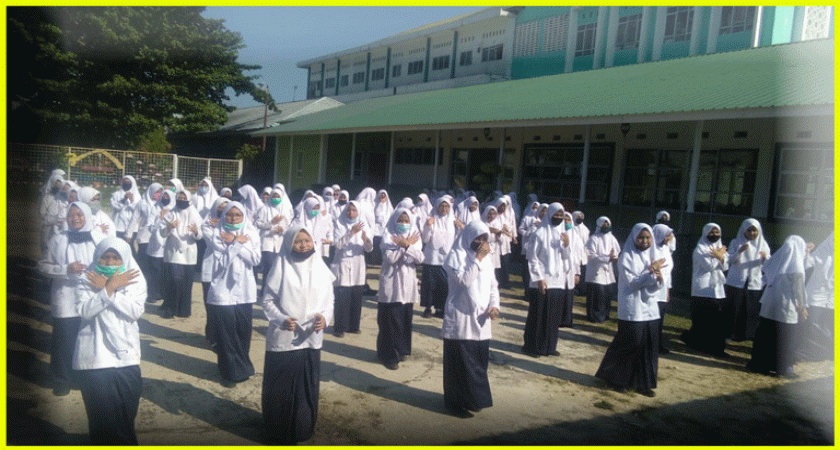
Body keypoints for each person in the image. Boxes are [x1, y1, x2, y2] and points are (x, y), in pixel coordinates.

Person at [261, 225, 335, 444]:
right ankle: (278, 433)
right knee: (280, 390)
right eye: (298, 241)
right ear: (289, 243)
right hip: (285, 338)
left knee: (305, 388)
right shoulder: (281, 265)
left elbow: (329, 300)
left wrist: (325, 318)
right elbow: (267, 301)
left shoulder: (320, 265)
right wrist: (282, 319)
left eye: (307, 240)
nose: (303, 245)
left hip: (311, 338)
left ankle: (303, 429)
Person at [73, 237, 145, 444]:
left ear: (125, 259)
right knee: (103, 422)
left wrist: (106, 288)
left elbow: (135, 311)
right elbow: (85, 311)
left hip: (127, 358)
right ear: (97, 257)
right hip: (96, 358)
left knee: (125, 419)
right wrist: (110, 288)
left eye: (116, 258)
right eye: (105, 257)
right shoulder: (87, 277)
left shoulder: (135, 278)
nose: (110, 262)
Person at [38, 202, 102, 396]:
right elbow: (42, 266)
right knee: (64, 341)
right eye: (71, 215)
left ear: (87, 216)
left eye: (79, 215)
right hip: (66, 299)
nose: (75, 219)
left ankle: (82, 378)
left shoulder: (98, 238)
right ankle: (61, 379)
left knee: (87, 340)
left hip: (91, 298)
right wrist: (65, 269)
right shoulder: (58, 239)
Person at [595, 223, 665, 397]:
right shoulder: (626, 257)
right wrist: (650, 273)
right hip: (632, 307)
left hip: (650, 308)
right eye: (641, 238)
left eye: (648, 238)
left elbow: (658, 284)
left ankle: (642, 383)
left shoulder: (653, 256)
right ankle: (616, 379)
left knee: (647, 345)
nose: (644, 241)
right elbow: (632, 283)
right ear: (634, 238)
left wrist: (658, 277)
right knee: (630, 342)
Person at [441, 220, 501, 418]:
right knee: (460, 364)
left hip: (482, 318)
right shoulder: (454, 256)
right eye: (478, 238)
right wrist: (477, 259)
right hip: (461, 318)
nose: (481, 242)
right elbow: (464, 281)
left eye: (485, 238)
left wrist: (494, 306)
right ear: (468, 237)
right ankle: (455, 403)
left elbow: (493, 286)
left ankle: (473, 400)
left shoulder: (487, 259)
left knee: (478, 363)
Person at [206, 202, 261, 387]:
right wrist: (237, 243)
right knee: (226, 334)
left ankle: (243, 367)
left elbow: (255, 259)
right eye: (230, 214)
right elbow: (223, 262)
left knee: (243, 331)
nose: (234, 218)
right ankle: (229, 372)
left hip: (244, 290)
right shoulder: (217, 234)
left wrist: (235, 244)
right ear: (224, 216)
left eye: (238, 215)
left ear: (243, 216)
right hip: (223, 290)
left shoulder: (252, 233)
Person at [747, 236, 810, 378]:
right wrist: (802, 308)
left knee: (765, 336)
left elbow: (766, 266)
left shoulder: (776, 261)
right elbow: (799, 291)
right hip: (786, 308)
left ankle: (759, 365)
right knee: (785, 339)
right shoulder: (797, 268)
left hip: (769, 305)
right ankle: (783, 369)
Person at [522, 203, 576, 357]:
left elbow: (566, 258)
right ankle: (533, 347)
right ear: (549, 215)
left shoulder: (562, 234)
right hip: (543, 281)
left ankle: (549, 347)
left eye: (561, 215)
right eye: (556, 215)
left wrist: (566, 245)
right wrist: (539, 278)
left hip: (557, 281)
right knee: (538, 315)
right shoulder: (539, 233)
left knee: (553, 316)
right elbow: (532, 258)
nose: (558, 217)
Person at [376, 208, 424, 370]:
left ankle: (401, 350)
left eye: (406, 221)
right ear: (394, 220)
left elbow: (420, 258)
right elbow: (390, 258)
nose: (403, 223)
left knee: (404, 320)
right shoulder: (388, 236)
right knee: (390, 321)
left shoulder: (415, 237)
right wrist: (405, 247)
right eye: (400, 220)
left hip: (408, 284)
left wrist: (407, 245)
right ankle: (388, 356)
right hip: (392, 283)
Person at [680, 223, 730, 357]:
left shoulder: (719, 248)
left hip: (717, 289)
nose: (714, 235)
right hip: (702, 289)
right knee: (703, 321)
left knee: (716, 321)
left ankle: (714, 347)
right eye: (711, 232)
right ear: (705, 233)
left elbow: (725, 266)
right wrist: (720, 256)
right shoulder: (700, 249)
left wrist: (719, 256)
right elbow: (709, 266)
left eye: (717, 232)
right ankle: (697, 344)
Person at [724, 218, 771, 342]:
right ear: (744, 230)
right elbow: (729, 260)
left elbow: (769, 263)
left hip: (754, 282)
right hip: (736, 282)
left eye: (754, 231)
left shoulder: (763, 244)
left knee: (751, 309)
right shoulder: (736, 242)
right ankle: (731, 333)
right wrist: (739, 251)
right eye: (749, 230)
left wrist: (765, 258)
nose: (752, 233)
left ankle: (748, 334)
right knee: (734, 308)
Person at [331, 201, 373, 336]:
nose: (351, 213)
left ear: (358, 212)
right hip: (343, 262)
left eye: (354, 210)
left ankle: (353, 326)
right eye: (349, 210)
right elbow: (338, 245)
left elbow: (369, 249)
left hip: (358, 263)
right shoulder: (339, 224)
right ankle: (340, 327)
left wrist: (366, 240)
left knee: (356, 295)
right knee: (342, 295)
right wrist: (350, 233)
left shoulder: (364, 225)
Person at [159, 188, 203, 318]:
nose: (181, 200)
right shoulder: (170, 213)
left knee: (186, 283)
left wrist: (195, 231)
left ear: (189, 199)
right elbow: (162, 233)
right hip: (173, 251)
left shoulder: (194, 214)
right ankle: (170, 309)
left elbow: (200, 235)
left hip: (189, 252)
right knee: (174, 280)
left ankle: (183, 310)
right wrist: (168, 228)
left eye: (184, 198)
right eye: (179, 198)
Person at [421, 197, 460, 318]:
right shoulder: (431, 219)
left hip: (446, 260)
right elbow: (425, 239)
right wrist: (428, 226)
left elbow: (458, 239)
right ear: (437, 207)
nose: (444, 209)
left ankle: (440, 309)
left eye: (447, 206)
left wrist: (460, 227)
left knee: (444, 286)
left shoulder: (453, 220)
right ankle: (428, 308)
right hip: (432, 258)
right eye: (441, 206)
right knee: (430, 285)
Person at [800, 232, 833, 361]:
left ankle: (824, 352)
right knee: (811, 324)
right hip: (817, 295)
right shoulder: (822, 251)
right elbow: (807, 264)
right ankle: (809, 352)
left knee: (827, 326)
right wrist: (806, 253)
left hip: (833, 298)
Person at [585, 216, 621, 323]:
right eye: (603, 224)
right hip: (596, 271)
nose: (606, 226)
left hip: (608, 271)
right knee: (597, 294)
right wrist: (607, 258)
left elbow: (617, 251)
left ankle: (604, 315)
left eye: (607, 224)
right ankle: (594, 316)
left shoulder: (612, 238)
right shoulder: (594, 238)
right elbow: (591, 255)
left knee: (606, 294)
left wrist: (614, 257)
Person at [255, 188, 290, 295]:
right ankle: (265, 291)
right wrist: (271, 223)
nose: (276, 198)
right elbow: (258, 224)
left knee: (278, 269)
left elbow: (289, 226)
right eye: (274, 196)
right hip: (267, 243)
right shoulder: (264, 209)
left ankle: (275, 292)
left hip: (280, 243)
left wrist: (282, 230)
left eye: (278, 197)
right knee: (269, 268)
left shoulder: (285, 210)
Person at [652, 223, 675, 353]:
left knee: (660, 318)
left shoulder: (666, 249)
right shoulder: (651, 249)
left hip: (663, 289)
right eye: (667, 235)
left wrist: (667, 289)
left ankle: (657, 344)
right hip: (652, 288)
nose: (669, 238)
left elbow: (668, 272)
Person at [110, 175, 141, 247]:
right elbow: (114, 207)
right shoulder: (116, 194)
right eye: (124, 182)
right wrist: (123, 200)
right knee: (118, 246)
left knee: (130, 247)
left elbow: (138, 210)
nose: (126, 184)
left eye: (128, 183)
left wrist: (132, 201)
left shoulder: (137, 196)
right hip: (119, 226)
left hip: (132, 227)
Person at [371, 189, 394, 266]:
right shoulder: (374, 206)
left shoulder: (389, 208)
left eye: (384, 197)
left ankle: (382, 261)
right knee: (376, 245)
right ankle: (374, 261)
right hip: (376, 230)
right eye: (381, 197)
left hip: (386, 230)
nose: (382, 199)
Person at [572, 211, 589, 296]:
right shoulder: (571, 227)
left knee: (582, 272)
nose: (580, 218)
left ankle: (581, 290)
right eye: (578, 217)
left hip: (583, 255)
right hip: (573, 254)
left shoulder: (585, 229)